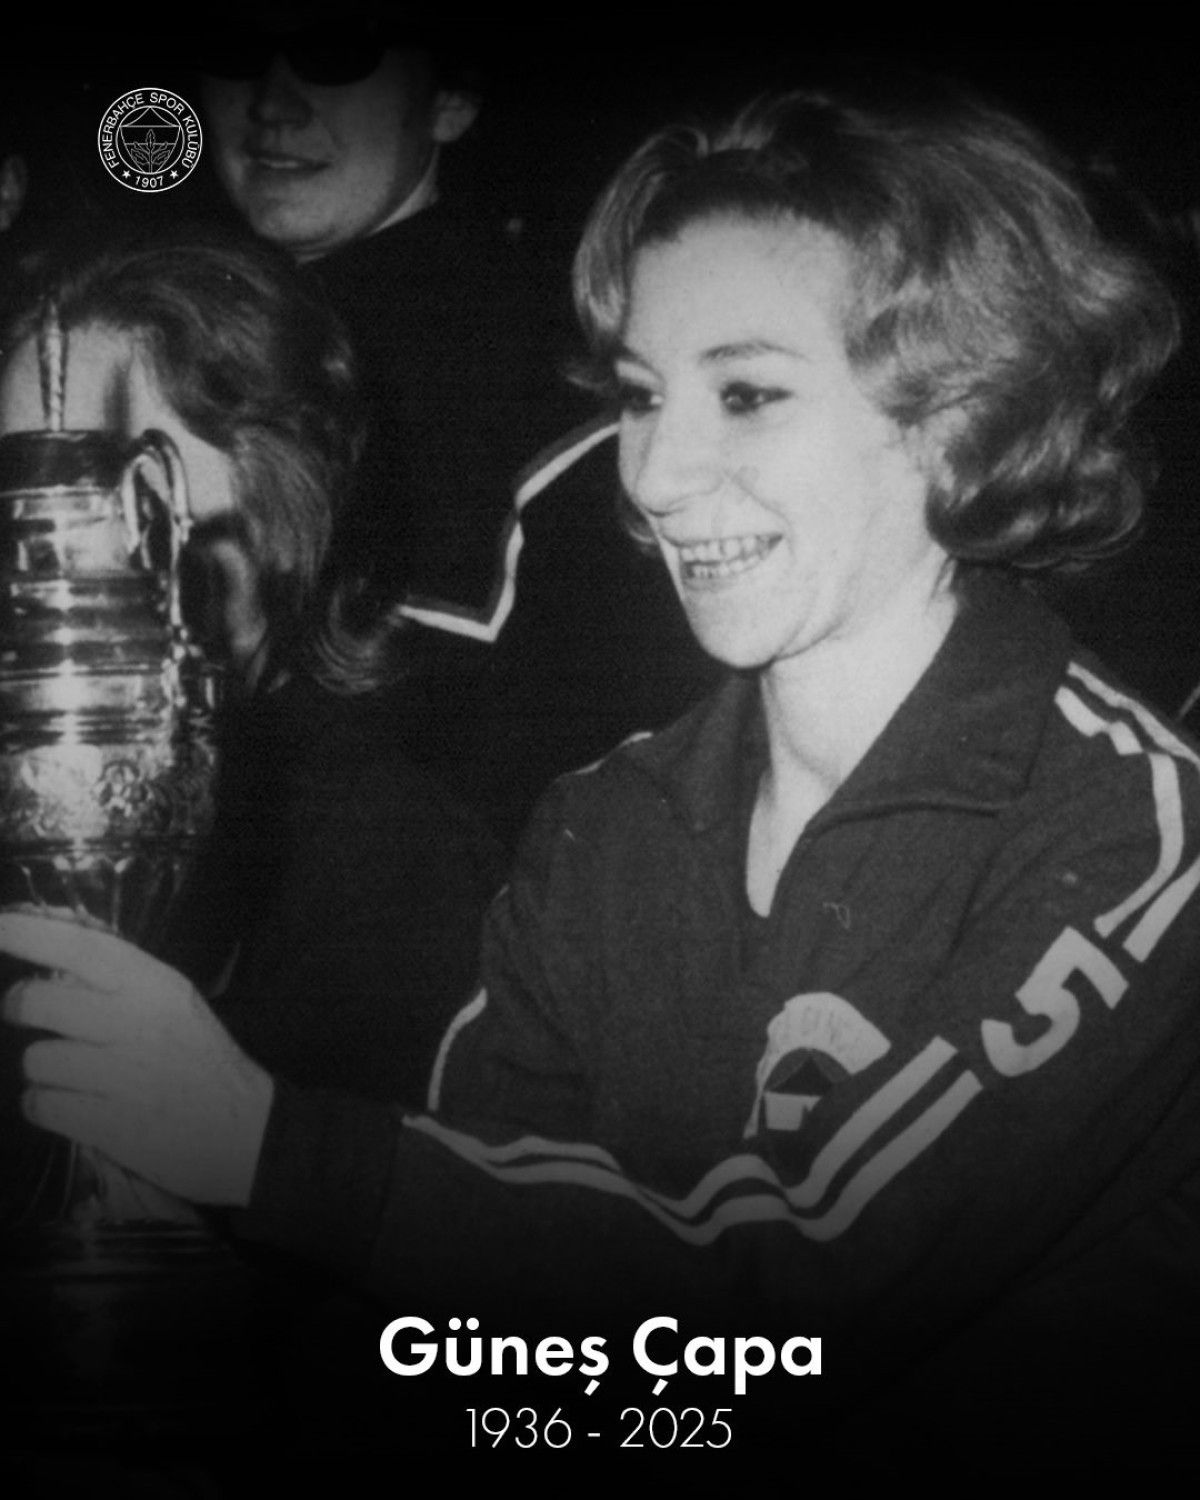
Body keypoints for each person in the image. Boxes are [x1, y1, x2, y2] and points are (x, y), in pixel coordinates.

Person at [4, 85, 1199, 1466]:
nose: (658, 474)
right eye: (640, 396)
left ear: (964, 415)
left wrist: (271, 1154)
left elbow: (794, 1303)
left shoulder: (1135, 828)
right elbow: (501, 1371)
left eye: (747, 394)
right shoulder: (601, 826)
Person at [0, 231, 501, 1107]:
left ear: (280, 499)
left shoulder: (392, 858)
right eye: (20, 483)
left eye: (102, 477)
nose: (44, 535)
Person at [193, 7, 717, 844]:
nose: (273, 105)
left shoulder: (556, 375)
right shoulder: (155, 333)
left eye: (336, 53)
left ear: (451, 100)